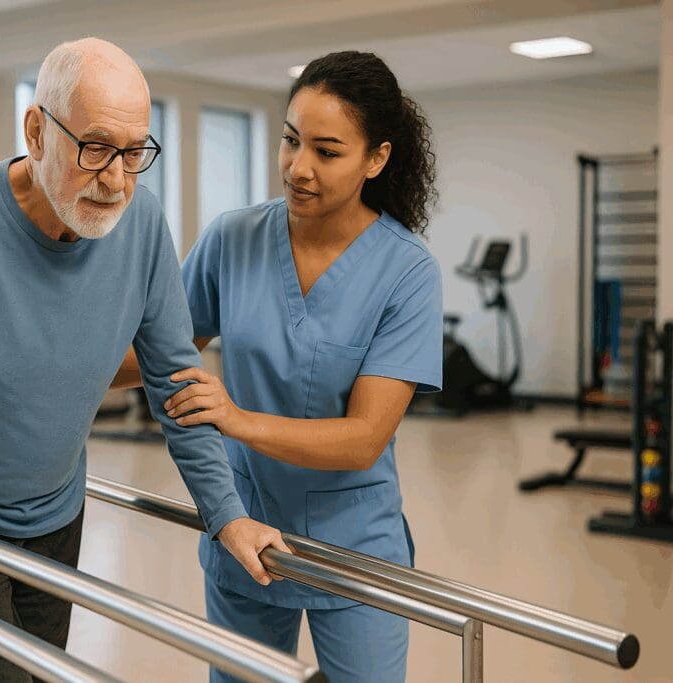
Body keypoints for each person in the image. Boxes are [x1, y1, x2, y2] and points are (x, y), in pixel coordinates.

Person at [0, 37, 289, 683]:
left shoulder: (143, 225)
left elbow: (175, 382)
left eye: (135, 153)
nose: (116, 179)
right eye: (96, 147)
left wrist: (227, 513)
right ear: (37, 130)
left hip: (54, 508)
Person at [113, 50, 442, 682]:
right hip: (245, 526)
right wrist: (45, 355)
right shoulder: (234, 238)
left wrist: (235, 419)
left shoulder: (406, 272)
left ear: (376, 159)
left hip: (353, 544)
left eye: (327, 150)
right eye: (290, 141)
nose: (298, 167)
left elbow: (363, 439)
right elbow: (152, 353)